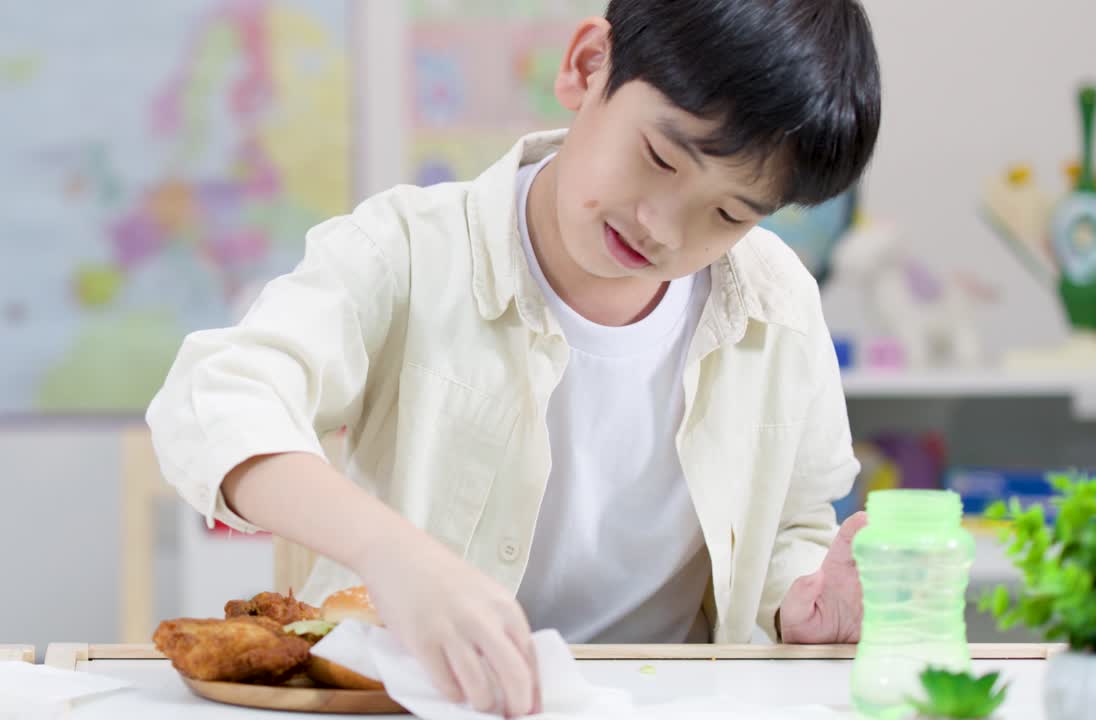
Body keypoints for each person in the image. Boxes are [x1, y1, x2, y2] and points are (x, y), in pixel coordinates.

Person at [146, 0, 881, 715]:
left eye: (728, 214)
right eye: (658, 158)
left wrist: (799, 604)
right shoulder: (407, 251)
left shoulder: (777, 300)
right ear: (588, 66)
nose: (663, 227)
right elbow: (215, 400)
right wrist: (390, 553)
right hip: (420, 698)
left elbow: (793, 523)